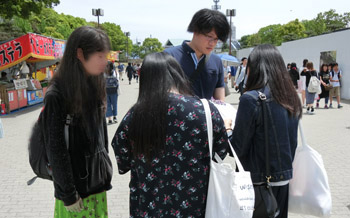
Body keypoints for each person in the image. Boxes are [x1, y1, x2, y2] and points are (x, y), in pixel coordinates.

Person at [112, 52, 230, 217]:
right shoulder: (204, 110)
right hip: (194, 205)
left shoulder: (135, 114)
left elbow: (123, 160)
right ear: (178, 75)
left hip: (148, 207)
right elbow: (220, 153)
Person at [42, 26, 113, 217]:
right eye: (99, 56)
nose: (104, 62)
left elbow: (101, 138)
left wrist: (104, 170)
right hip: (75, 195)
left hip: (96, 186)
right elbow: (54, 148)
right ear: (80, 54)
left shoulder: (95, 85)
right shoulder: (57, 94)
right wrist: (68, 194)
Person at [228, 44, 302, 218]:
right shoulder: (290, 96)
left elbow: (238, 149)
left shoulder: (251, 98)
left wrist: (227, 130)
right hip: (283, 179)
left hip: (258, 182)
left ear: (255, 68)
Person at [165, 8, 230, 101]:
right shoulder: (170, 57)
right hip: (178, 114)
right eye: (209, 37)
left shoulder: (216, 61)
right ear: (195, 31)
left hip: (207, 114)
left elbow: (220, 99)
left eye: (216, 39)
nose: (212, 43)